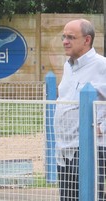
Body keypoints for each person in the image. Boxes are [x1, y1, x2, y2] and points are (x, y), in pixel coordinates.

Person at [54, 19, 106, 201]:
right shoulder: (68, 66)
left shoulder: (102, 66)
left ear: (87, 40)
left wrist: (102, 127)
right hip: (64, 150)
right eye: (64, 37)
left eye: (71, 37)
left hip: (89, 149)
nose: (65, 41)